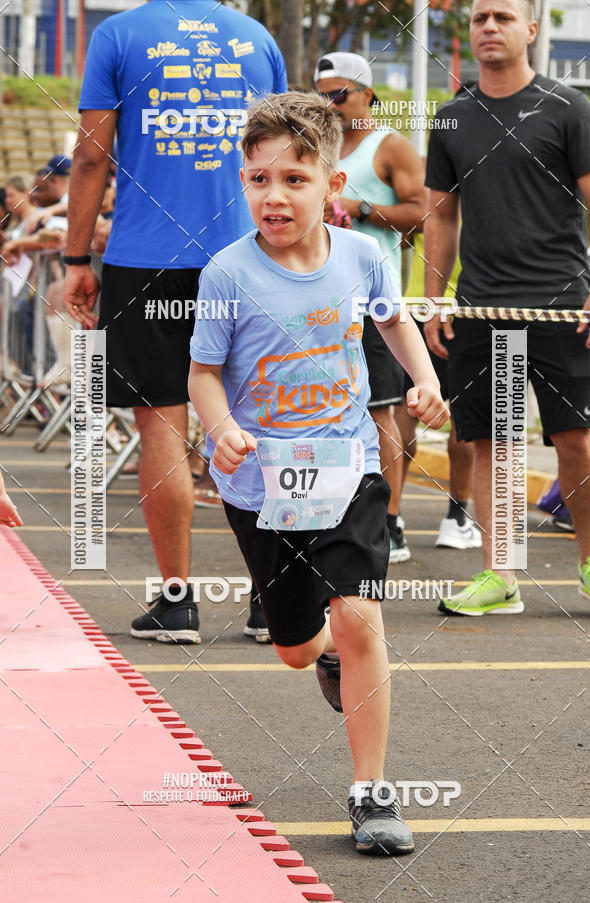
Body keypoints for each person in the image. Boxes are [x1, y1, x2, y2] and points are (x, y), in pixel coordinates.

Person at [188, 91, 449, 853]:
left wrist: (422, 379)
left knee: (362, 614)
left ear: (334, 186)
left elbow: (391, 318)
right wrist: (224, 427)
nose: (275, 196)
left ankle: (371, 790)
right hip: (260, 483)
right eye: (258, 179)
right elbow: (203, 372)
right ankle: (323, 651)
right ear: (242, 182)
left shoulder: (363, 255)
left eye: (295, 180)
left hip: (348, 464)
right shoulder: (226, 274)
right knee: (297, 645)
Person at [64, 0, 287, 644]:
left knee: (162, 420)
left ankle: (178, 602)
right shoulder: (253, 37)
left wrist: (77, 257)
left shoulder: (118, 33)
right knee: (259, 421)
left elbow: (89, 159)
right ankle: (270, 601)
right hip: (245, 256)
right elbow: (278, 153)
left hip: (145, 259)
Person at [424, 0, 590, 616]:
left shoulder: (567, 108)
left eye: (502, 16)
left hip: (561, 305)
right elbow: (441, 216)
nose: (489, 27)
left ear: (531, 29)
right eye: (479, 19)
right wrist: (435, 297)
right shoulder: (450, 120)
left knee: (575, 438)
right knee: (492, 442)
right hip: (481, 307)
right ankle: (501, 576)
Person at [315, 52, 428, 562]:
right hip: (318, 298)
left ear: (367, 94)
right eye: (323, 95)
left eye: (339, 95)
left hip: (372, 300)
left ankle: (390, 519)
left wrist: (359, 208)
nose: (331, 105)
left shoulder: (390, 146)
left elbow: (422, 212)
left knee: (381, 410)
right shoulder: (318, 146)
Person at [398, 230, 481, 550]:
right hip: (466, 309)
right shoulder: (483, 195)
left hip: (420, 307)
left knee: (405, 410)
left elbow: (404, 237)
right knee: (466, 417)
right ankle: (456, 519)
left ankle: (389, 517)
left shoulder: (430, 194)